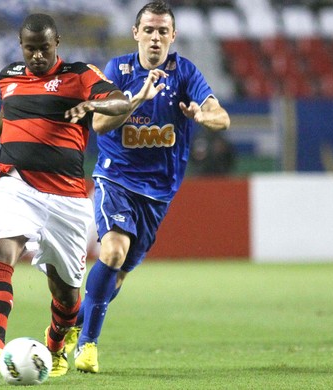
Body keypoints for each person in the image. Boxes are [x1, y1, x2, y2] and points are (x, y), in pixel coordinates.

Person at [0, 13, 136, 377]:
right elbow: (10, 109)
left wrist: (94, 105)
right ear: (21, 46)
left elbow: (122, 103)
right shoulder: (9, 76)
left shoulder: (79, 75)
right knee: (0, 248)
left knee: (66, 295)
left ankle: (57, 341)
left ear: (56, 43)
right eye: (30, 49)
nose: (36, 56)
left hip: (68, 201)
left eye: (43, 48)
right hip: (16, 183)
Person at [65, 0, 230, 374]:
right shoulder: (118, 70)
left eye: (162, 31)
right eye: (149, 30)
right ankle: (87, 345)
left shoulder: (185, 73)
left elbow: (222, 116)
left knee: (120, 273)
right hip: (116, 177)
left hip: (158, 192)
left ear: (173, 36)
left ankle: (71, 326)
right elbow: (101, 127)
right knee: (113, 251)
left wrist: (205, 114)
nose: (155, 38)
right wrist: (136, 100)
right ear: (136, 33)